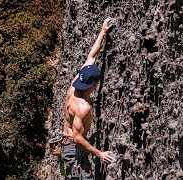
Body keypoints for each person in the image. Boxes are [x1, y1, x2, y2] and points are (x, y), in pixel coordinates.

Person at [61, 17, 116, 179]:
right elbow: (77, 138)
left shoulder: (75, 83)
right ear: (94, 86)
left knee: (73, 175)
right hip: (73, 150)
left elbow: (92, 56)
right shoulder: (83, 107)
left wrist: (103, 31)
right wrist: (99, 153)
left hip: (66, 146)